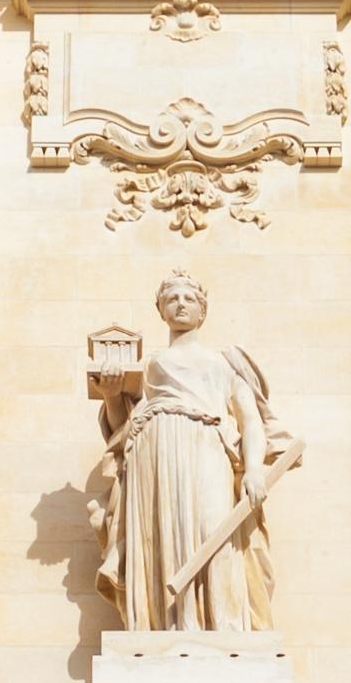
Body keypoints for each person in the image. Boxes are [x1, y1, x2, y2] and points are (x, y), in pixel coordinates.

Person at [87, 268, 296, 635]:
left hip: (205, 450)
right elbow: (121, 430)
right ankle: (161, 627)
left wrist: (252, 470)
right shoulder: (149, 363)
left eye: (188, 299)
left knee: (211, 532)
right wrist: (111, 394)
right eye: (172, 299)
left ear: (202, 310)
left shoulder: (225, 361)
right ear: (161, 310)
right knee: (158, 540)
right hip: (152, 455)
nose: (180, 305)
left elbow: (250, 421)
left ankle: (223, 628)